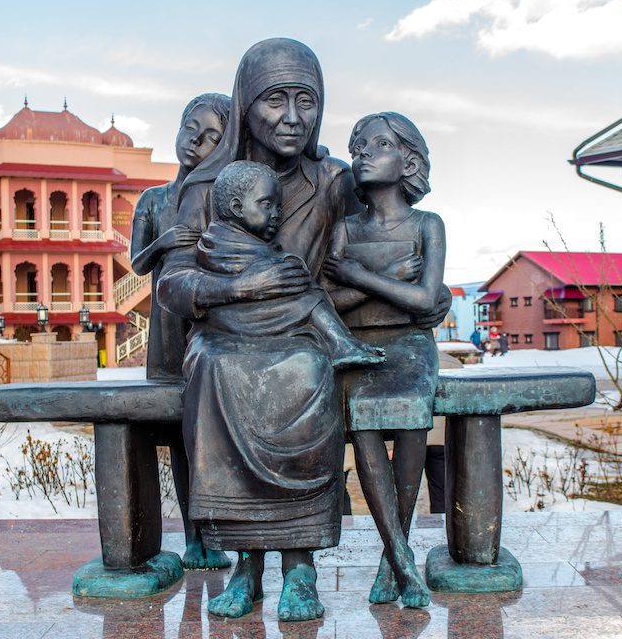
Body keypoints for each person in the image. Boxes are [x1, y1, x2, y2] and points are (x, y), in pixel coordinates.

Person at [156, 38, 451, 622]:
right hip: (226, 332)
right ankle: (245, 563)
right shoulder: (205, 186)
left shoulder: (334, 180)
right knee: (216, 368)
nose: (293, 118)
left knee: (312, 368)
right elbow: (173, 281)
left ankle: (300, 566)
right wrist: (234, 291)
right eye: (274, 100)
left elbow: (388, 225)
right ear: (245, 103)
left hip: (306, 332)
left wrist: (424, 291)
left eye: (306, 101)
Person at [322, 112, 444, 608]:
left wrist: (359, 275)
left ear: (408, 160)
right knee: (365, 420)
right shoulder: (345, 229)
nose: (363, 154)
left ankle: (393, 557)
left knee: (413, 416)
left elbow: (423, 302)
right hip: (358, 346)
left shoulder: (427, 225)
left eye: (379, 144)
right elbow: (327, 304)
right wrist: (390, 275)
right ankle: (400, 557)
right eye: (357, 148)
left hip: (411, 344)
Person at [129, 92, 232, 571]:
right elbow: (136, 260)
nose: (197, 140)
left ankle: (219, 532)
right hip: (167, 328)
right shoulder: (153, 201)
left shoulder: (222, 198)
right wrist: (170, 240)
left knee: (210, 436)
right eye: (192, 126)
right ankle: (193, 539)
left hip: (210, 322)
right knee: (177, 437)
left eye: (212, 135)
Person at [198, 160, 385, 367]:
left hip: (252, 313)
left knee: (309, 294)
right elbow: (242, 266)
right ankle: (342, 345)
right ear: (236, 207)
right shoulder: (222, 241)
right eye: (267, 205)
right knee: (310, 300)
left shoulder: (245, 239)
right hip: (237, 316)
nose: (276, 214)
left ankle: (344, 343)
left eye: (278, 207)